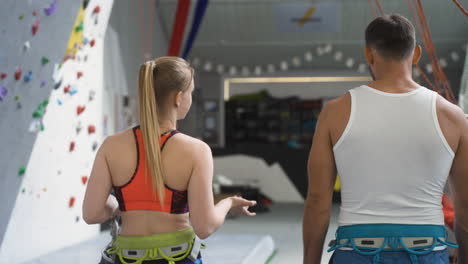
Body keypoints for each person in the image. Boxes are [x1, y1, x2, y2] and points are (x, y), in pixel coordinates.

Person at [302, 14, 467, 264]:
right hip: (426, 251)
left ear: (368, 54)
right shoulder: (453, 117)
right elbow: (465, 206)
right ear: (416, 54)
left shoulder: (335, 113)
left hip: (356, 250)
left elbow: (317, 201)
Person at [83, 57, 257, 264]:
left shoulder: (111, 146)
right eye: (191, 92)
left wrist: (118, 203)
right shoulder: (196, 150)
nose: (191, 98)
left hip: (126, 257)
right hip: (178, 257)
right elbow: (205, 226)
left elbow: (91, 214)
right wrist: (228, 202)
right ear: (178, 97)